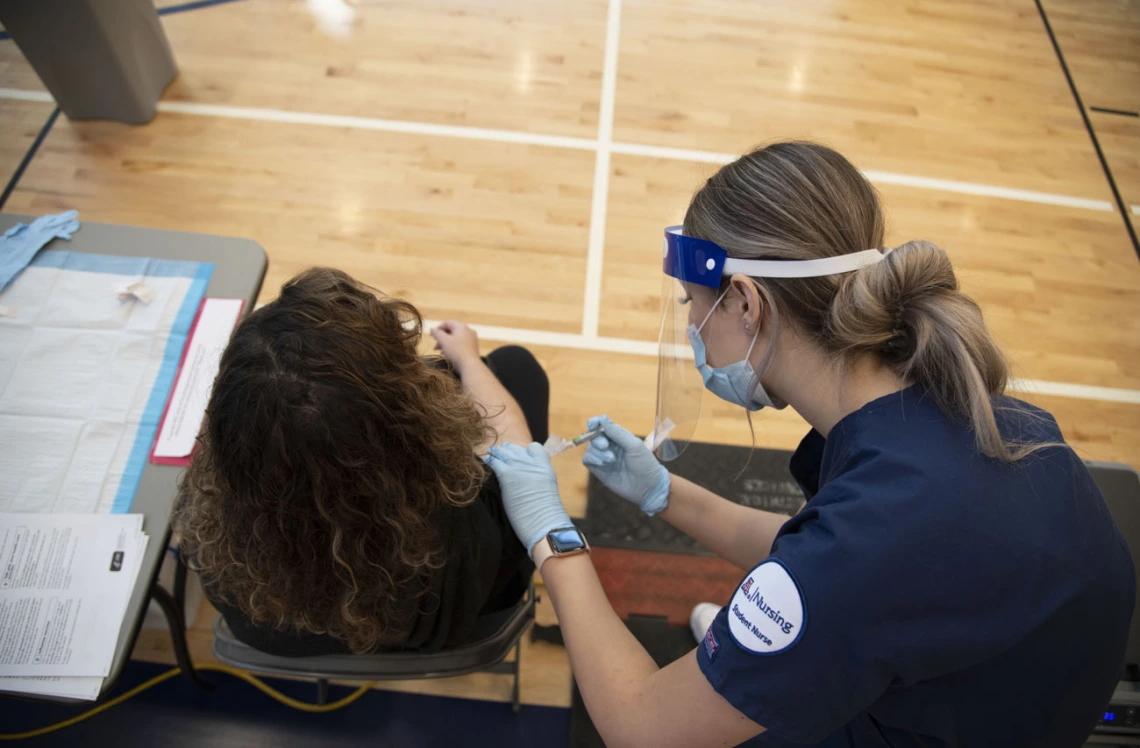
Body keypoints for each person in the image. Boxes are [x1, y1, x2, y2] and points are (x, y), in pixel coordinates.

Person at [484, 142, 1135, 747]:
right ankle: (759, 658)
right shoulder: (976, 417)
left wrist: (551, 534)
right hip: (986, 695)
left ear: (746, 302)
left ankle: (755, 664)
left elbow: (640, 724)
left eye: (692, 303)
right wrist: (661, 491)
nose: (689, 326)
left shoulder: (863, 552)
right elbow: (824, 551)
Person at [173, 267, 542, 656]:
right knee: (517, 366)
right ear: (403, 415)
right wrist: (469, 360)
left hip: (286, 638)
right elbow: (517, 455)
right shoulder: (459, 510)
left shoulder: (208, 525)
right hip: (432, 625)